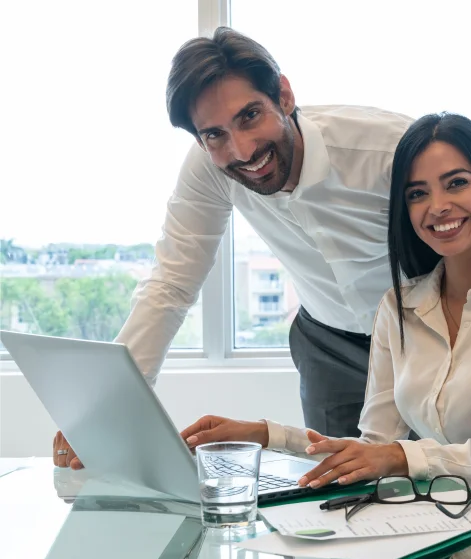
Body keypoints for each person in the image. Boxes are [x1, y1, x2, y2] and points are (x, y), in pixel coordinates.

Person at [181, 112, 471, 559]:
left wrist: (401, 458)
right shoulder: (400, 305)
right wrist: (267, 435)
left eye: (456, 183)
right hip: (450, 517)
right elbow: (375, 447)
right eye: (418, 193)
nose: (438, 206)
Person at [52, 26, 413, 469]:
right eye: (214, 134)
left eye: (249, 116)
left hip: (422, 333)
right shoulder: (208, 168)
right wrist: (107, 407)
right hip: (328, 344)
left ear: (283, 96)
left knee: (446, 475)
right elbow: (170, 284)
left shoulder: (387, 147)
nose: (242, 150)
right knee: (341, 489)